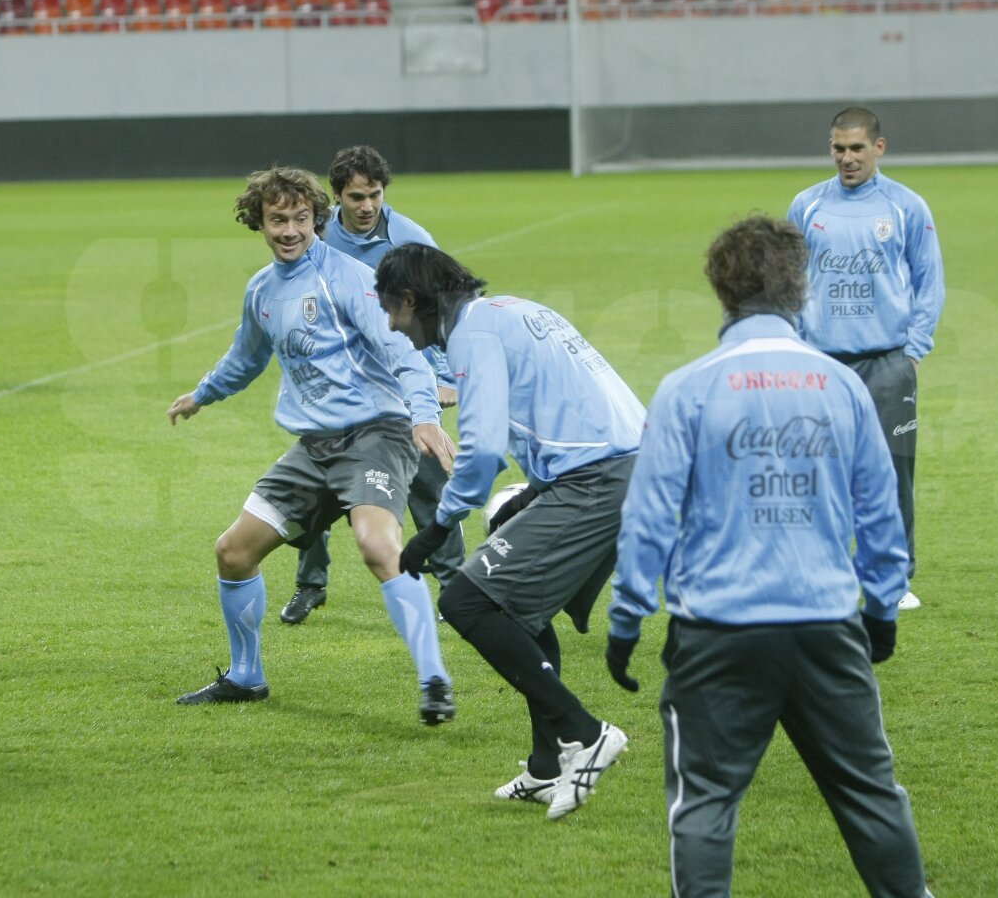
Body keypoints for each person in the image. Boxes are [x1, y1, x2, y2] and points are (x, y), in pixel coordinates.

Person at [607, 215, 934, 898]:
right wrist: (882, 610)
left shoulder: (687, 388)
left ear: (720, 289)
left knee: (704, 803)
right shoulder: (842, 385)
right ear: (800, 287)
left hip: (718, 629)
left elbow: (649, 516)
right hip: (826, 623)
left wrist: (628, 616)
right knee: (871, 794)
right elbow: (881, 512)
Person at [168, 166, 457, 726]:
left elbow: (404, 353)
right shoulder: (262, 289)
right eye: (278, 220)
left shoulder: (348, 278)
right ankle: (246, 676)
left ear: (317, 219)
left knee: (377, 547)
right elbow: (247, 357)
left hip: (376, 436)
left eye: (301, 218)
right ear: (259, 223)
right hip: (314, 448)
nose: (290, 230)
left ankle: (434, 679)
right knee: (233, 552)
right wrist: (202, 394)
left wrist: (424, 416)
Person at [375, 243, 644, 821]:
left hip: (598, 480)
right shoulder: (513, 309)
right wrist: (533, 492)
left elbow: (481, 445)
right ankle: (548, 764)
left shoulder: (472, 334)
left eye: (390, 310)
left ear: (411, 300)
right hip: (620, 465)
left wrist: (439, 525)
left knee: (466, 601)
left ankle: (586, 733)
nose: (392, 325)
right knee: (517, 608)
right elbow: (569, 401)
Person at [281, 144, 465, 624]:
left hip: (403, 375)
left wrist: (445, 378)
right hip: (341, 381)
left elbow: (444, 308)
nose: (367, 206)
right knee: (318, 480)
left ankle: (454, 586)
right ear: (337, 196)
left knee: (429, 482)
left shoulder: (410, 239)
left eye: (375, 195)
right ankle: (310, 584)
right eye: (356, 197)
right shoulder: (317, 236)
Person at [787, 107, 945, 609]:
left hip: (887, 364)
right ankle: (820, 574)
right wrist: (796, 345)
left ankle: (892, 581)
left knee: (892, 474)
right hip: (822, 364)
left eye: (857, 148)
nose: (847, 158)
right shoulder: (807, 205)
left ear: (879, 147)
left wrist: (913, 351)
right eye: (839, 148)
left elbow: (930, 281)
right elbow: (788, 282)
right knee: (815, 473)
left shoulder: (906, 206)